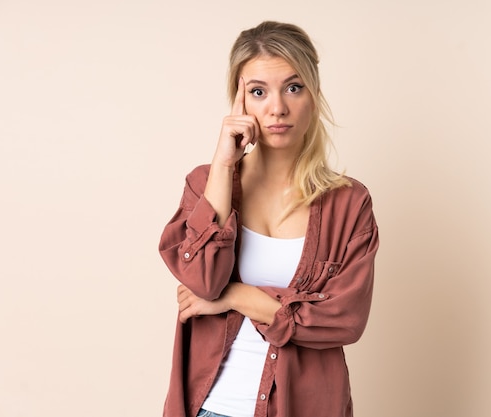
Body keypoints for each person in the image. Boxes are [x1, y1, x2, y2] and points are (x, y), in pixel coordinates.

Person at [159, 21, 379, 417]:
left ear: (314, 94)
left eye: (293, 87)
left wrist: (236, 296)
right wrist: (225, 165)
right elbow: (203, 281)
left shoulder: (349, 204)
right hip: (213, 408)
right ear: (239, 101)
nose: (277, 107)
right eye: (258, 92)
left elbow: (345, 320)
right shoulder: (206, 184)